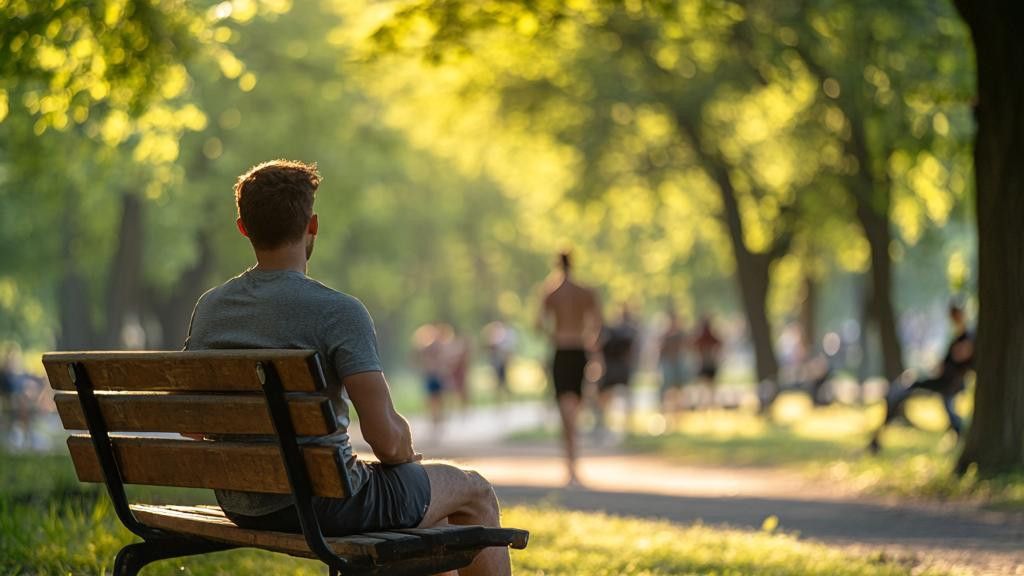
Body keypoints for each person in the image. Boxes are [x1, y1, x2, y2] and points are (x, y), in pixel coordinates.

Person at [184, 160, 510, 576]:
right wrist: (406, 453)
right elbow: (385, 441)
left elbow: (192, 427)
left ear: (243, 228)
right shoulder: (338, 312)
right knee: (474, 491)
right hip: (328, 504)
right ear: (312, 225)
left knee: (435, 516)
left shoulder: (211, 308)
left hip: (243, 504)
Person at [868, 303, 974, 454]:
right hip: (942, 382)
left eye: (956, 315)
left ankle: (877, 439)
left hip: (947, 384)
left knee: (901, 392)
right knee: (949, 412)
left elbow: (961, 357)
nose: (954, 319)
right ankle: (877, 438)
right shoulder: (959, 337)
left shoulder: (968, 337)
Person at [536, 251, 602, 486]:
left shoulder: (551, 292)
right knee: (575, 407)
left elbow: (537, 324)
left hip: (562, 350)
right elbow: (598, 323)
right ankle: (574, 461)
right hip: (579, 349)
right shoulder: (585, 292)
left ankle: (570, 463)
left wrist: (554, 334)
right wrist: (591, 345)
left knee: (566, 410)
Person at [595, 304, 638, 438]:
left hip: (611, 369)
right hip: (617, 369)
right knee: (612, 399)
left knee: (607, 399)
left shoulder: (612, 332)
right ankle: (615, 427)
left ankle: (607, 427)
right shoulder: (626, 332)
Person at [412, 323, 447, 440]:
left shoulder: (436, 346)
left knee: (437, 401)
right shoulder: (427, 348)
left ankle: (438, 423)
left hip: (436, 376)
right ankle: (435, 424)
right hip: (431, 376)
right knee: (432, 401)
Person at [658, 309, 690, 416]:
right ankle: (666, 410)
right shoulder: (665, 334)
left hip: (677, 363)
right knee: (667, 388)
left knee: (679, 388)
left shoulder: (680, 333)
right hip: (669, 364)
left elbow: (686, 346)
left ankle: (679, 411)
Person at [482, 321, 516, 403]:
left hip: (502, 362)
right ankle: (500, 399)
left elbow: (508, 351)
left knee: (503, 381)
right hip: (497, 362)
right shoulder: (495, 339)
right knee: (498, 381)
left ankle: (506, 399)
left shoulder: (504, 338)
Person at [693, 315, 722, 407]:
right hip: (706, 363)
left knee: (706, 386)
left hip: (707, 363)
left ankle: (706, 404)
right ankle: (706, 404)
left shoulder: (707, 336)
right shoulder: (705, 336)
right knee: (707, 386)